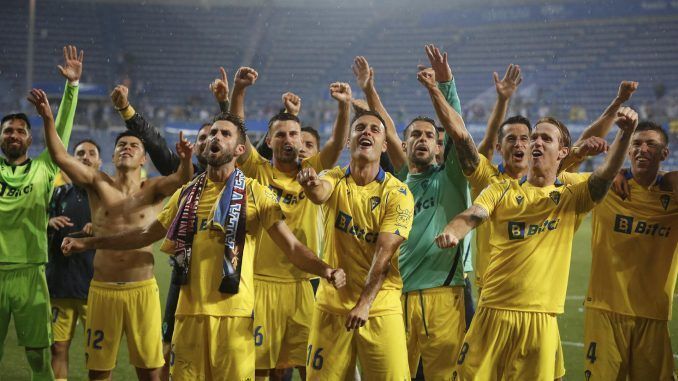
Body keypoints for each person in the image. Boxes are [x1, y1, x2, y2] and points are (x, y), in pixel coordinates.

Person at [62, 112, 346, 380]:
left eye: (225, 134)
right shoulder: (187, 193)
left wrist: (327, 270)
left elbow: (293, 247)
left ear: (238, 150)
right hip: (189, 317)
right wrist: (90, 242)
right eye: (212, 133)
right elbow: (144, 234)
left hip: (234, 317)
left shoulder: (255, 193)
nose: (215, 138)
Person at [435, 106, 639, 380]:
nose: (536, 142)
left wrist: (624, 135)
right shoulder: (502, 188)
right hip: (492, 312)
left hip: (541, 318)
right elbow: (474, 214)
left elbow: (603, 177)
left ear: (563, 152)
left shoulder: (571, 194)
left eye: (546, 138)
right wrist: (453, 231)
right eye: (535, 137)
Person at [29, 84, 194, 380]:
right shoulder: (97, 183)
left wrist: (184, 160)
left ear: (144, 159)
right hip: (102, 289)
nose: (126, 148)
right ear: (113, 155)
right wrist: (48, 119)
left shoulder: (153, 189)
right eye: (121, 145)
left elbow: (184, 179)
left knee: (151, 370)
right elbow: (60, 158)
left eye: (133, 146)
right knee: (99, 370)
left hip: (142, 289)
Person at [351, 47, 471, 380]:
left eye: (429, 135)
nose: (422, 139)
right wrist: (368, 88)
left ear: (438, 146)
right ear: (403, 146)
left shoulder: (451, 177)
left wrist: (444, 85)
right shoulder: (400, 181)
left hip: (443, 296)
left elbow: (457, 127)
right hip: (395, 296)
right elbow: (386, 129)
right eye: (414, 134)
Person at [224, 66, 351, 380]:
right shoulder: (257, 169)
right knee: (263, 369)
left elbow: (336, 144)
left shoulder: (313, 169)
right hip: (261, 283)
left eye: (293, 133)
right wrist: (238, 92)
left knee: (308, 365)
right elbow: (236, 132)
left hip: (302, 284)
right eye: (279, 134)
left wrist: (344, 106)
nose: (287, 139)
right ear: (269, 140)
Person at [297, 103, 415, 379]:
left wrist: (364, 303)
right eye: (360, 128)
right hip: (331, 307)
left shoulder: (398, 193)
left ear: (384, 145)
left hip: (380, 308)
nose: (367, 132)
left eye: (375, 129)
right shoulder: (333, 178)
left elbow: (384, 254)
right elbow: (319, 193)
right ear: (349, 140)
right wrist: (310, 184)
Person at [110, 83, 216, 380]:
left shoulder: (243, 178)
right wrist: (126, 110)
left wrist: (225, 101)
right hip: (183, 276)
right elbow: (154, 142)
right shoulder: (186, 174)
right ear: (196, 147)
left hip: (225, 277)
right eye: (204, 137)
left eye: (219, 135)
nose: (211, 141)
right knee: (168, 345)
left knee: (222, 351)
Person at [0, 45, 81, 381]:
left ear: (30, 139)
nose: (14, 135)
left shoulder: (44, 168)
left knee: (37, 357)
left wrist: (71, 87)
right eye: (8, 131)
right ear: (1, 139)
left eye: (20, 130)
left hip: (32, 273)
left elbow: (59, 133)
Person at [583, 121, 677, 380]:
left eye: (651, 145)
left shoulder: (673, 194)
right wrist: (612, 171)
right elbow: (564, 166)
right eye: (636, 144)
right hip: (605, 311)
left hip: (653, 315)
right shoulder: (606, 189)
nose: (642, 149)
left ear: (664, 154)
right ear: (627, 150)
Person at [46, 139, 102, 380]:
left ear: (100, 161)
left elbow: (125, 234)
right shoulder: (58, 194)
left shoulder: (107, 197)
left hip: (95, 287)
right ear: (71, 159)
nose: (85, 157)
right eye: (80, 153)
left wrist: (102, 228)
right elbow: (37, 229)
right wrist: (47, 223)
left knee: (97, 356)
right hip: (61, 284)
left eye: (91, 153)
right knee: (58, 348)